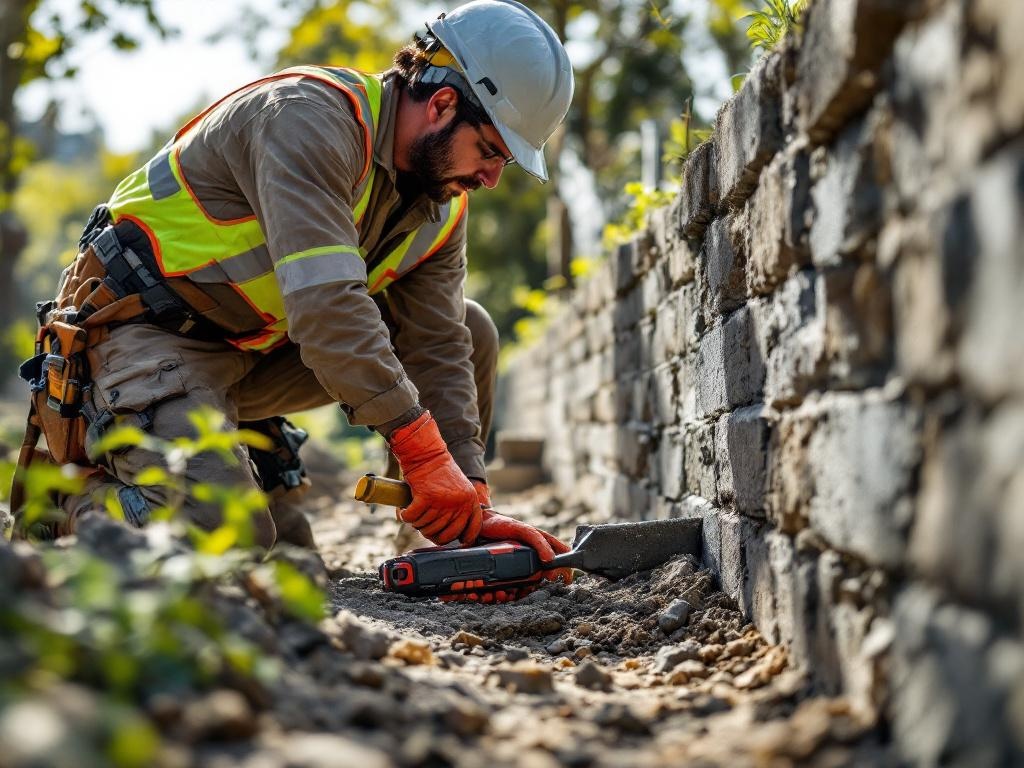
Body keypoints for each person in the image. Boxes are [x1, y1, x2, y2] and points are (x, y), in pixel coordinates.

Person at [18, 0, 574, 584]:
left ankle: (432, 550)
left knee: (472, 327)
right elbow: (327, 308)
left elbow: (437, 346)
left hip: (248, 351)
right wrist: (424, 456)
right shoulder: (305, 118)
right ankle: (69, 507)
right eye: (490, 151)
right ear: (441, 105)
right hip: (141, 335)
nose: (491, 178)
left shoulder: (441, 205)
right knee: (225, 534)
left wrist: (468, 508)